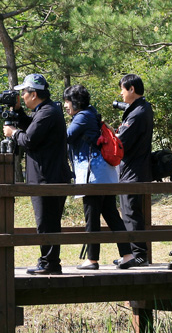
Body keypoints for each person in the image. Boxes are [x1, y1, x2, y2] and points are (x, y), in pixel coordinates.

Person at [3, 73, 71, 275]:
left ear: (34, 94)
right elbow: (32, 129)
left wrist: (13, 133)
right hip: (47, 177)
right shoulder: (46, 110)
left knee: (47, 222)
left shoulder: (47, 113)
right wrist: (18, 111)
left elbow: (29, 140)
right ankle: (48, 261)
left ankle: (49, 263)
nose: (22, 95)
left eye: (24, 92)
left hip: (48, 178)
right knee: (46, 222)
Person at [63, 84, 134, 270]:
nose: (65, 105)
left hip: (93, 175)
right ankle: (127, 255)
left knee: (92, 216)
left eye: (67, 101)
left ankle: (92, 260)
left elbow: (66, 136)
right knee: (111, 214)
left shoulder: (82, 117)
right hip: (104, 173)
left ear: (76, 102)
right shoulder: (90, 113)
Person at [115, 74, 154, 269]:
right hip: (136, 168)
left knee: (131, 213)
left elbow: (121, 142)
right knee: (131, 212)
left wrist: (111, 136)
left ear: (131, 89)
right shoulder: (143, 108)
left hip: (133, 170)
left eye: (122, 89)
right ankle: (133, 254)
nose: (121, 93)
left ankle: (138, 255)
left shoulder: (137, 113)